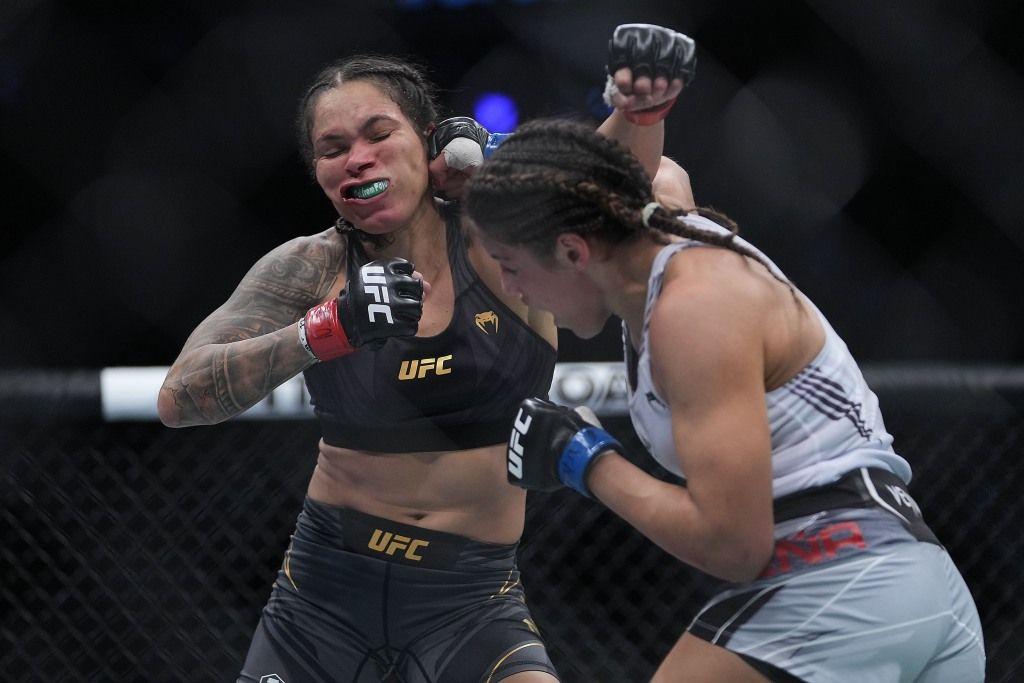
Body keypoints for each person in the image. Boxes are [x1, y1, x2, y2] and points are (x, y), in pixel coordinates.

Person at [157, 24, 695, 683]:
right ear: (320, 175)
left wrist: (634, 110)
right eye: (333, 149)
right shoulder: (311, 269)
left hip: (470, 600)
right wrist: (325, 330)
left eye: (378, 133)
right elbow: (179, 397)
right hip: (323, 593)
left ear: (428, 139)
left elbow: (609, 184)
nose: (357, 158)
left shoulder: (495, 242)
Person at [465, 121, 987, 680]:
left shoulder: (693, 308)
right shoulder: (661, 237)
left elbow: (733, 544)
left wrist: (585, 458)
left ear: (571, 250)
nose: (514, 291)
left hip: (836, 581)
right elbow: (654, 171)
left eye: (512, 265)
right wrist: (513, 158)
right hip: (915, 580)